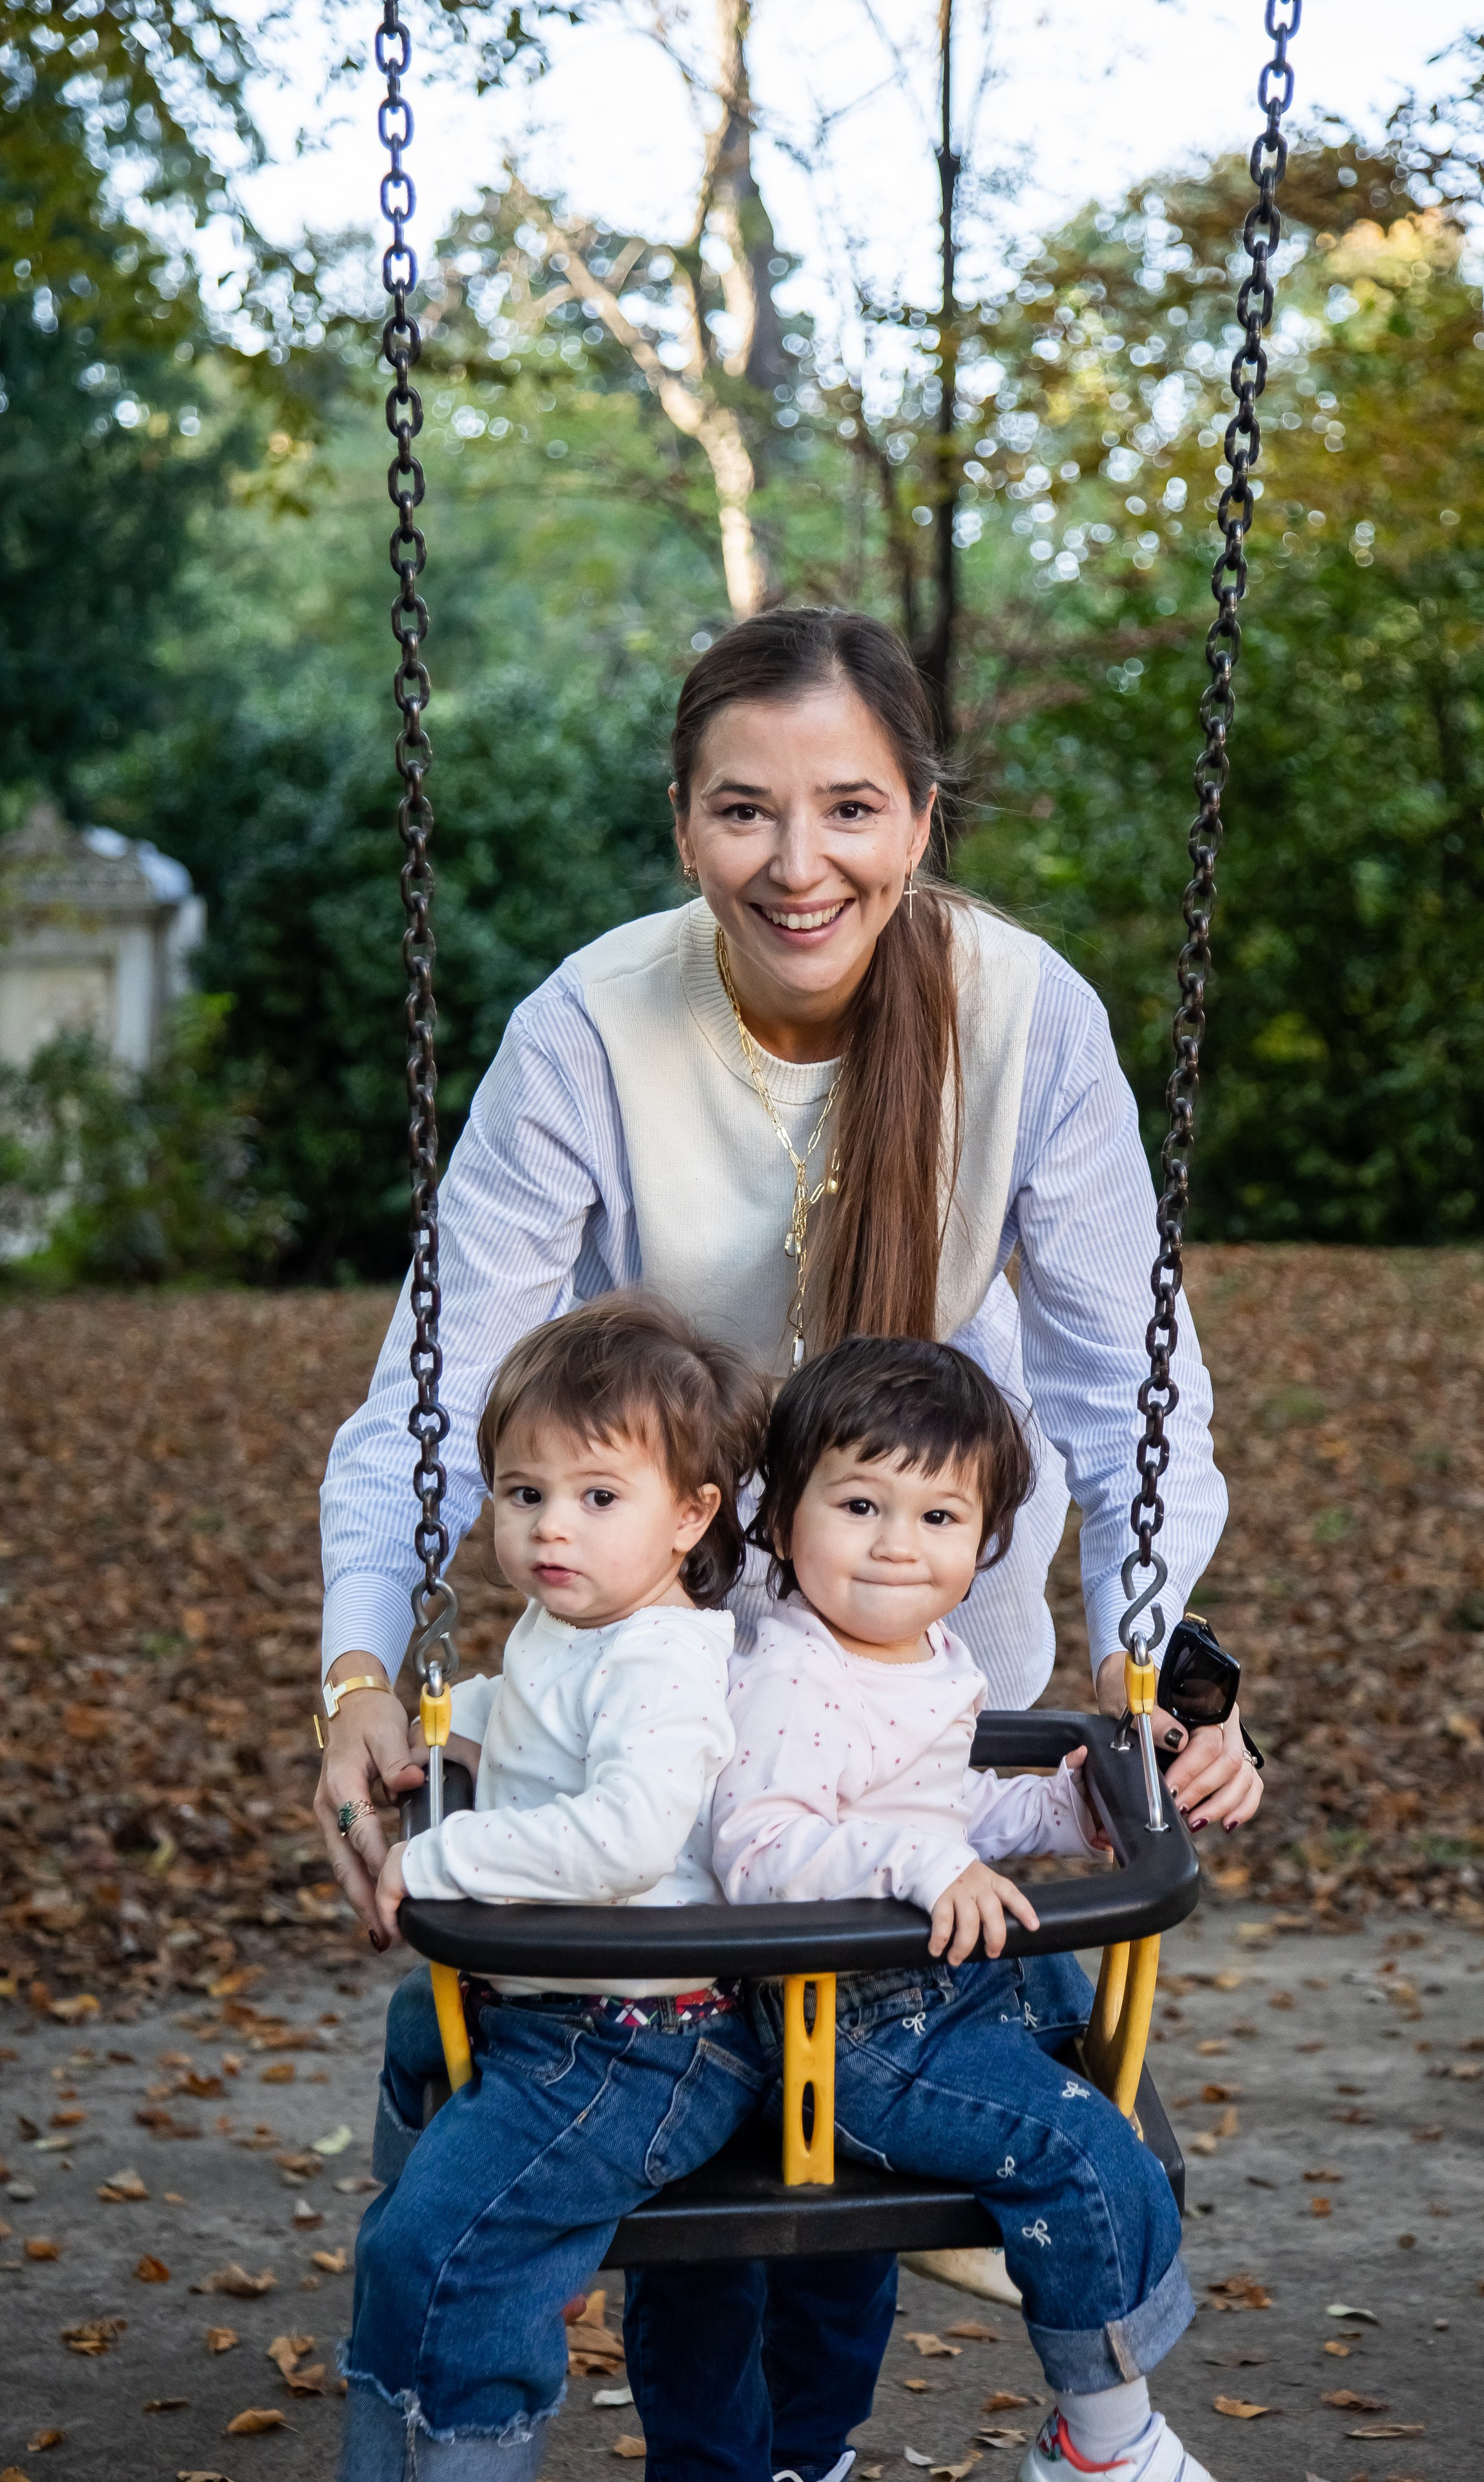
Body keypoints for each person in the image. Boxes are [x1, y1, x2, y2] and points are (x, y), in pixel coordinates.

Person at [315, 607, 1265, 2482]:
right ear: (685, 825)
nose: (798, 860)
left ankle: (809, 2448)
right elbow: (436, 1389)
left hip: (925, 1615)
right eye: (746, 812)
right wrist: (363, 1668)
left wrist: (1158, 1664)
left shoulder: (1024, 1016)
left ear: (922, 812)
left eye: (849, 807)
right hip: (663, 1611)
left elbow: (1124, 1383)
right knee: (700, 2065)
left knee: (884, 2058)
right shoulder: (592, 1024)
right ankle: (717, 2457)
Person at [717, 1334, 1209, 2482]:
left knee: (1088, 2056)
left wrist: (1066, 1811)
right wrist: (917, 1865)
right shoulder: (788, 1673)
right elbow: (758, 1849)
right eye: (859, 1504)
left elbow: (950, 1811)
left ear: (985, 1542)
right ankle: (1102, 2441)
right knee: (1080, 2147)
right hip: (842, 2027)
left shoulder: (921, 1653)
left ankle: (1040, 2252)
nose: (898, 1545)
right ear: (783, 1515)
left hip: (936, 1981)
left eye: (939, 1518)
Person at [340, 1295, 771, 2480]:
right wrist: (462, 1730)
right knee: (413, 2072)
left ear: (691, 1516)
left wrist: (442, 1858)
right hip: (557, 2011)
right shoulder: (569, 1624)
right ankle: (473, 2212)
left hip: (641, 2035)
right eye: (523, 1494)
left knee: (443, 2252)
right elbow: (533, 1710)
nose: (550, 1531)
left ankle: (459, 2424)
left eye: (596, 1497)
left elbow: (629, 1834)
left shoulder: (664, 1660)